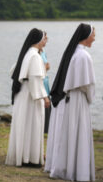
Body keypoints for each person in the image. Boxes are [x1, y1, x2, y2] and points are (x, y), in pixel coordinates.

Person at [45, 23, 95, 181]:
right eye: (93, 35)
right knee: (77, 134)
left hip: (69, 99)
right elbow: (87, 85)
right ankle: (78, 171)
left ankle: (64, 167)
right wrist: (90, 97)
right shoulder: (84, 56)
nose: (95, 38)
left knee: (68, 134)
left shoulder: (73, 53)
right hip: (79, 100)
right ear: (86, 37)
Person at [6, 28, 50, 167]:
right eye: (44, 38)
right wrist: (44, 97)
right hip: (31, 96)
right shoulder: (35, 56)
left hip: (23, 94)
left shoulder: (27, 53)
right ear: (38, 40)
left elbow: (13, 71)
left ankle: (24, 156)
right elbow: (35, 80)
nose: (45, 41)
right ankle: (30, 159)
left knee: (24, 125)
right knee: (33, 125)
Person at [39, 32, 51, 133]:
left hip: (46, 85)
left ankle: (46, 131)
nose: (46, 41)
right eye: (45, 39)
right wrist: (45, 68)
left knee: (48, 112)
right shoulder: (35, 53)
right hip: (40, 85)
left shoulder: (43, 52)